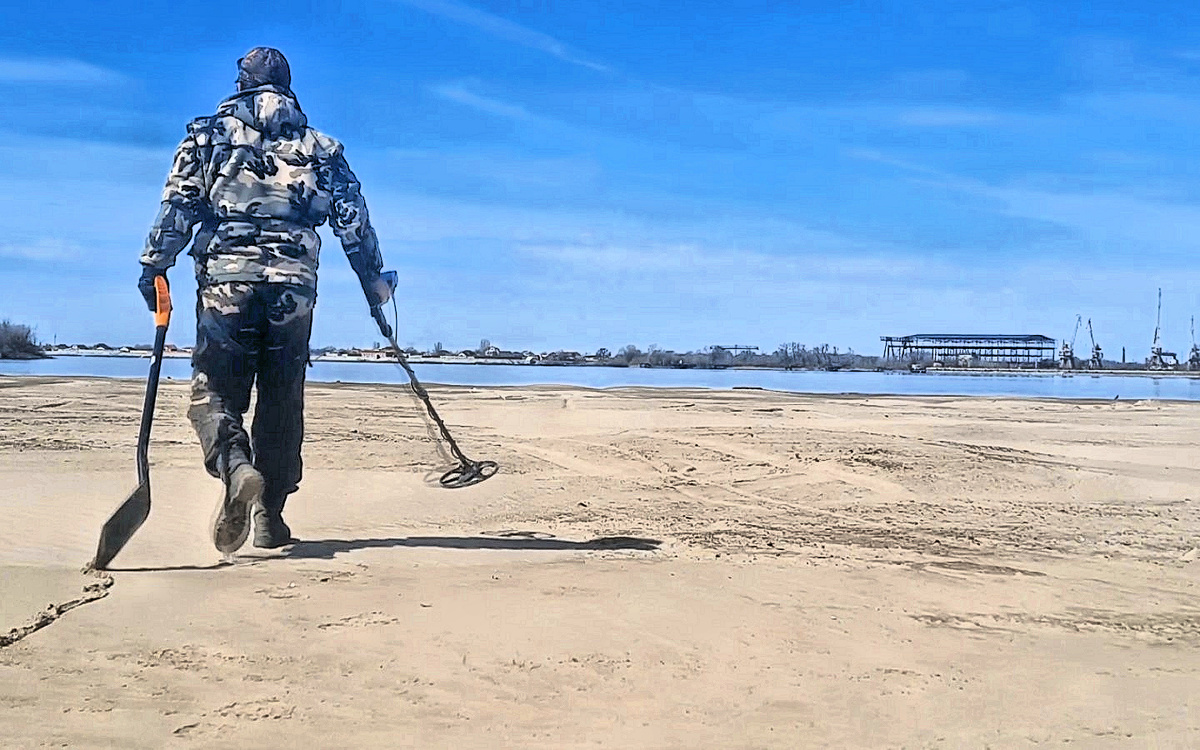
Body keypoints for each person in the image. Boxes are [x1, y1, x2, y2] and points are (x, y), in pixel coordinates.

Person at [138, 47, 393, 553]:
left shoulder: (206, 137)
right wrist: (373, 282)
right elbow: (353, 221)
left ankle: (236, 467)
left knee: (214, 390)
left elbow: (179, 206)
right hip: (293, 290)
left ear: (241, 84)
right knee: (281, 396)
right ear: (289, 88)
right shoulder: (321, 148)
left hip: (227, 284)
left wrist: (154, 264)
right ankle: (270, 515)